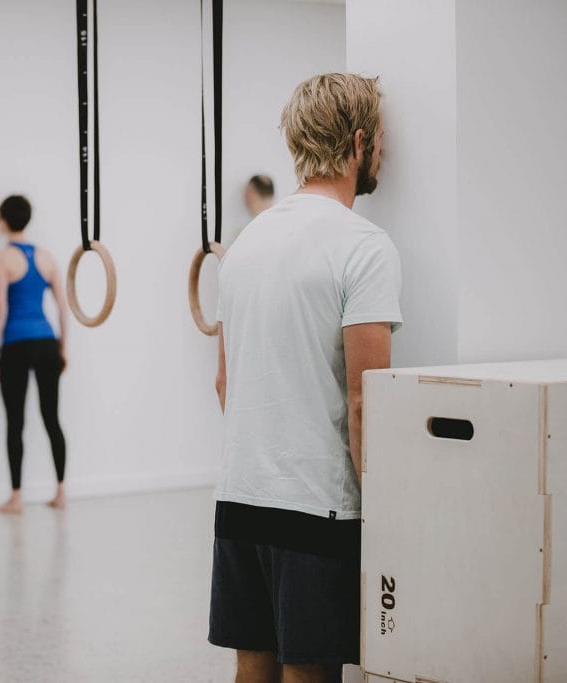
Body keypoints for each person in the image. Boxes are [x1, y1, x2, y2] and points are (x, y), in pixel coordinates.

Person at [209, 74, 402, 683]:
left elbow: (224, 383)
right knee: (309, 674)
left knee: (255, 668)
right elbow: (368, 402)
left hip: (241, 495)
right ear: (359, 140)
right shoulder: (365, 247)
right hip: (316, 508)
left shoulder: (245, 242)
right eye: (382, 142)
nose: (386, 156)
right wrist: (389, 514)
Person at [0, 195, 69, 514]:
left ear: (3, 220)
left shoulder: (0, 259)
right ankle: (61, 492)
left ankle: (16, 497)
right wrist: (64, 348)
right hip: (47, 341)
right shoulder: (47, 258)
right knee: (52, 417)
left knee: (15, 421)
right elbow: (63, 307)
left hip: (15, 344)